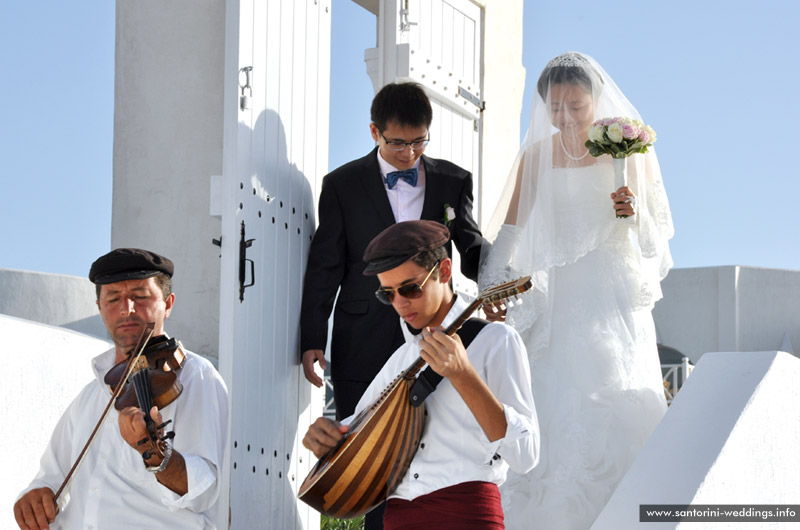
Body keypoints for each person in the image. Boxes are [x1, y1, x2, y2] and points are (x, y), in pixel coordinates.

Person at [478, 52, 674, 529]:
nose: (565, 118)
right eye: (556, 107)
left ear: (597, 101)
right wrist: (491, 286)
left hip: (611, 299)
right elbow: (511, 230)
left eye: (577, 106)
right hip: (557, 300)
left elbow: (653, 240)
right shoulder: (536, 155)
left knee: (611, 392)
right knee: (548, 397)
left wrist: (631, 214)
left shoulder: (629, 151)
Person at [303, 220, 539, 530]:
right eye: (388, 294)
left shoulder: (496, 341)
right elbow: (361, 428)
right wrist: (325, 438)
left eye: (410, 288)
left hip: (466, 517)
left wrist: (464, 376)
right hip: (399, 520)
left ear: (444, 271)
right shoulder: (402, 359)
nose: (400, 303)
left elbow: (526, 455)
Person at [300, 81, 484, 420]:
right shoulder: (342, 185)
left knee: (433, 437)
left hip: (436, 335)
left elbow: (471, 247)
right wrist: (312, 337)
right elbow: (325, 266)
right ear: (375, 132)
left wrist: (499, 277)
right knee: (356, 444)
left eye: (419, 141)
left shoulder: (453, 181)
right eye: (398, 142)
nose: (409, 152)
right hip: (360, 339)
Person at [13, 248, 230, 530]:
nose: (126, 310)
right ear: (100, 307)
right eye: (113, 299)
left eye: (140, 297)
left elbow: (203, 493)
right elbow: (50, 478)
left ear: (168, 303)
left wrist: (155, 453)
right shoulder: (91, 396)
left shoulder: (195, 377)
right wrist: (34, 497)